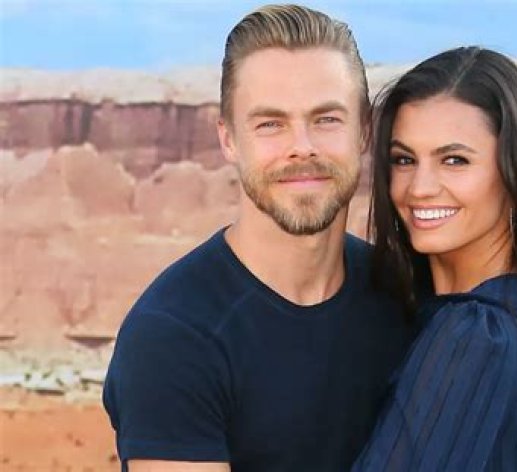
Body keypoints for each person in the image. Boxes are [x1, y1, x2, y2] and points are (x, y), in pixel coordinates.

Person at [102, 5, 411, 471]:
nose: (301, 146)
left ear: (364, 131)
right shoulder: (174, 336)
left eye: (327, 119)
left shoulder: (404, 297)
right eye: (270, 123)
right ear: (228, 139)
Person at [352, 47, 517, 471]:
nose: (419, 188)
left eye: (454, 160)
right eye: (404, 160)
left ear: (515, 172)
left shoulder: (476, 335)